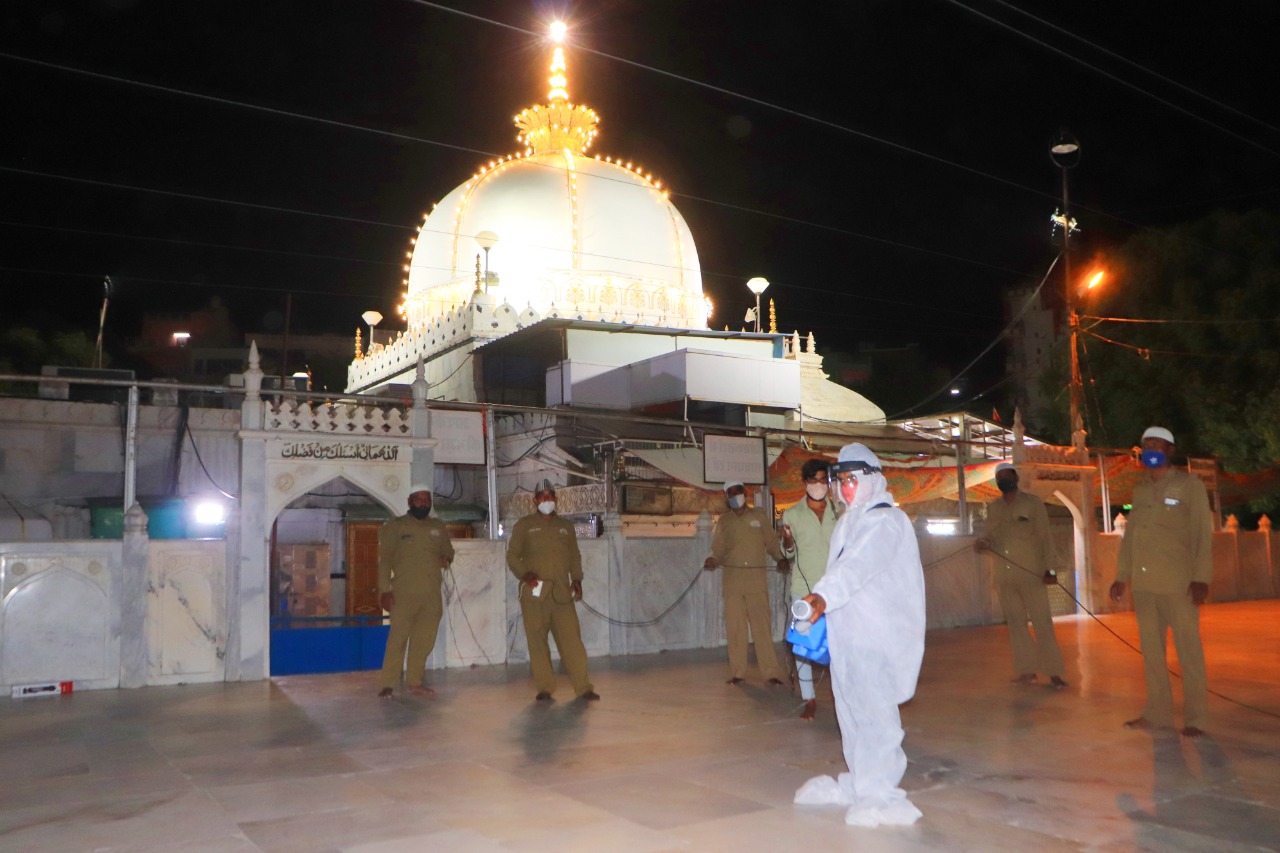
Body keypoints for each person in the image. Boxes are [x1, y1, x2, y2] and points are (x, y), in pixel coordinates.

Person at [794, 443, 926, 828]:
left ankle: (880, 791)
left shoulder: (885, 521)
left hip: (877, 637)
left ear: (871, 479)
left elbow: (858, 568)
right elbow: (840, 568)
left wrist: (823, 596)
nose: (847, 488)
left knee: (875, 716)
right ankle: (861, 782)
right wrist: (819, 605)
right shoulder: (851, 521)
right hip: (849, 635)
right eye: (842, 481)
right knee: (850, 713)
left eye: (853, 479)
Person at [1110, 426, 1213, 737]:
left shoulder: (1188, 485)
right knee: (1152, 653)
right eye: (1146, 446)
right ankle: (1157, 713)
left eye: (1157, 445)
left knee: (1188, 651)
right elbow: (1130, 539)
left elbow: (1201, 534)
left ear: (1170, 450)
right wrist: (1120, 576)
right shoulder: (1140, 490)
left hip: (1178, 583)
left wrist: (1201, 577)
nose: (1150, 450)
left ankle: (1196, 718)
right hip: (1144, 585)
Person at [974, 462, 1068, 689]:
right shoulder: (994, 508)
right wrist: (981, 544)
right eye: (999, 478)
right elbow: (988, 538)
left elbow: (1046, 537)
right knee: (1016, 625)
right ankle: (1027, 672)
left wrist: (1051, 569)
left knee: (1042, 623)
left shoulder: (1033, 503)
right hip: (1005, 577)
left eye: (1007, 476)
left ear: (1015, 478)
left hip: (1032, 574)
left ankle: (1054, 673)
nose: (1003, 481)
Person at [506, 480, 599, 702]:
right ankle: (545, 687)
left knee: (572, 641)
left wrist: (577, 579)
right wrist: (524, 574)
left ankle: (584, 687)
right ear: (535, 500)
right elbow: (512, 556)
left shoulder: (565, 527)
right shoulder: (524, 525)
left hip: (561, 593)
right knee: (537, 642)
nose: (547, 500)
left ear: (555, 499)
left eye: (550, 496)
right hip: (534, 593)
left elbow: (574, 556)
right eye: (543, 496)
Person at [703, 481, 789, 686]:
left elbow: (771, 543)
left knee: (762, 628)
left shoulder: (758, 516)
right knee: (736, 629)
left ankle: (771, 673)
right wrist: (713, 560)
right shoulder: (725, 521)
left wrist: (781, 559)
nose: (734, 497)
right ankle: (738, 672)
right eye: (730, 494)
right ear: (726, 497)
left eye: (737, 492)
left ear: (745, 493)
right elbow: (719, 550)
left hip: (756, 583)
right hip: (732, 583)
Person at [377, 485, 455, 698]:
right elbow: (385, 561)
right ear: (410, 501)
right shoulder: (395, 526)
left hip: (431, 595)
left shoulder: (438, 526)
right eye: (419, 499)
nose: (423, 503)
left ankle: (415, 682)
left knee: (424, 640)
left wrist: (446, 559)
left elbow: (448, 550)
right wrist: (384, 590)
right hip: (402, 594)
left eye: (427, 499)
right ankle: (388, 683)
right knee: (397, 639)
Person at [781, 458, 838, 719]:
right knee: (803, 646)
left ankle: (843, 695)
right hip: (804, 589)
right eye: (813, 480)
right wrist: (788, 541)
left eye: (822, 480)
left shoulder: (841, 511)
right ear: (805, 483)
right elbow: (788, 553)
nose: (818, 485)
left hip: (836, 589)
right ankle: (809, 698)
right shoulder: (792, 514)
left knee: (839, 644)